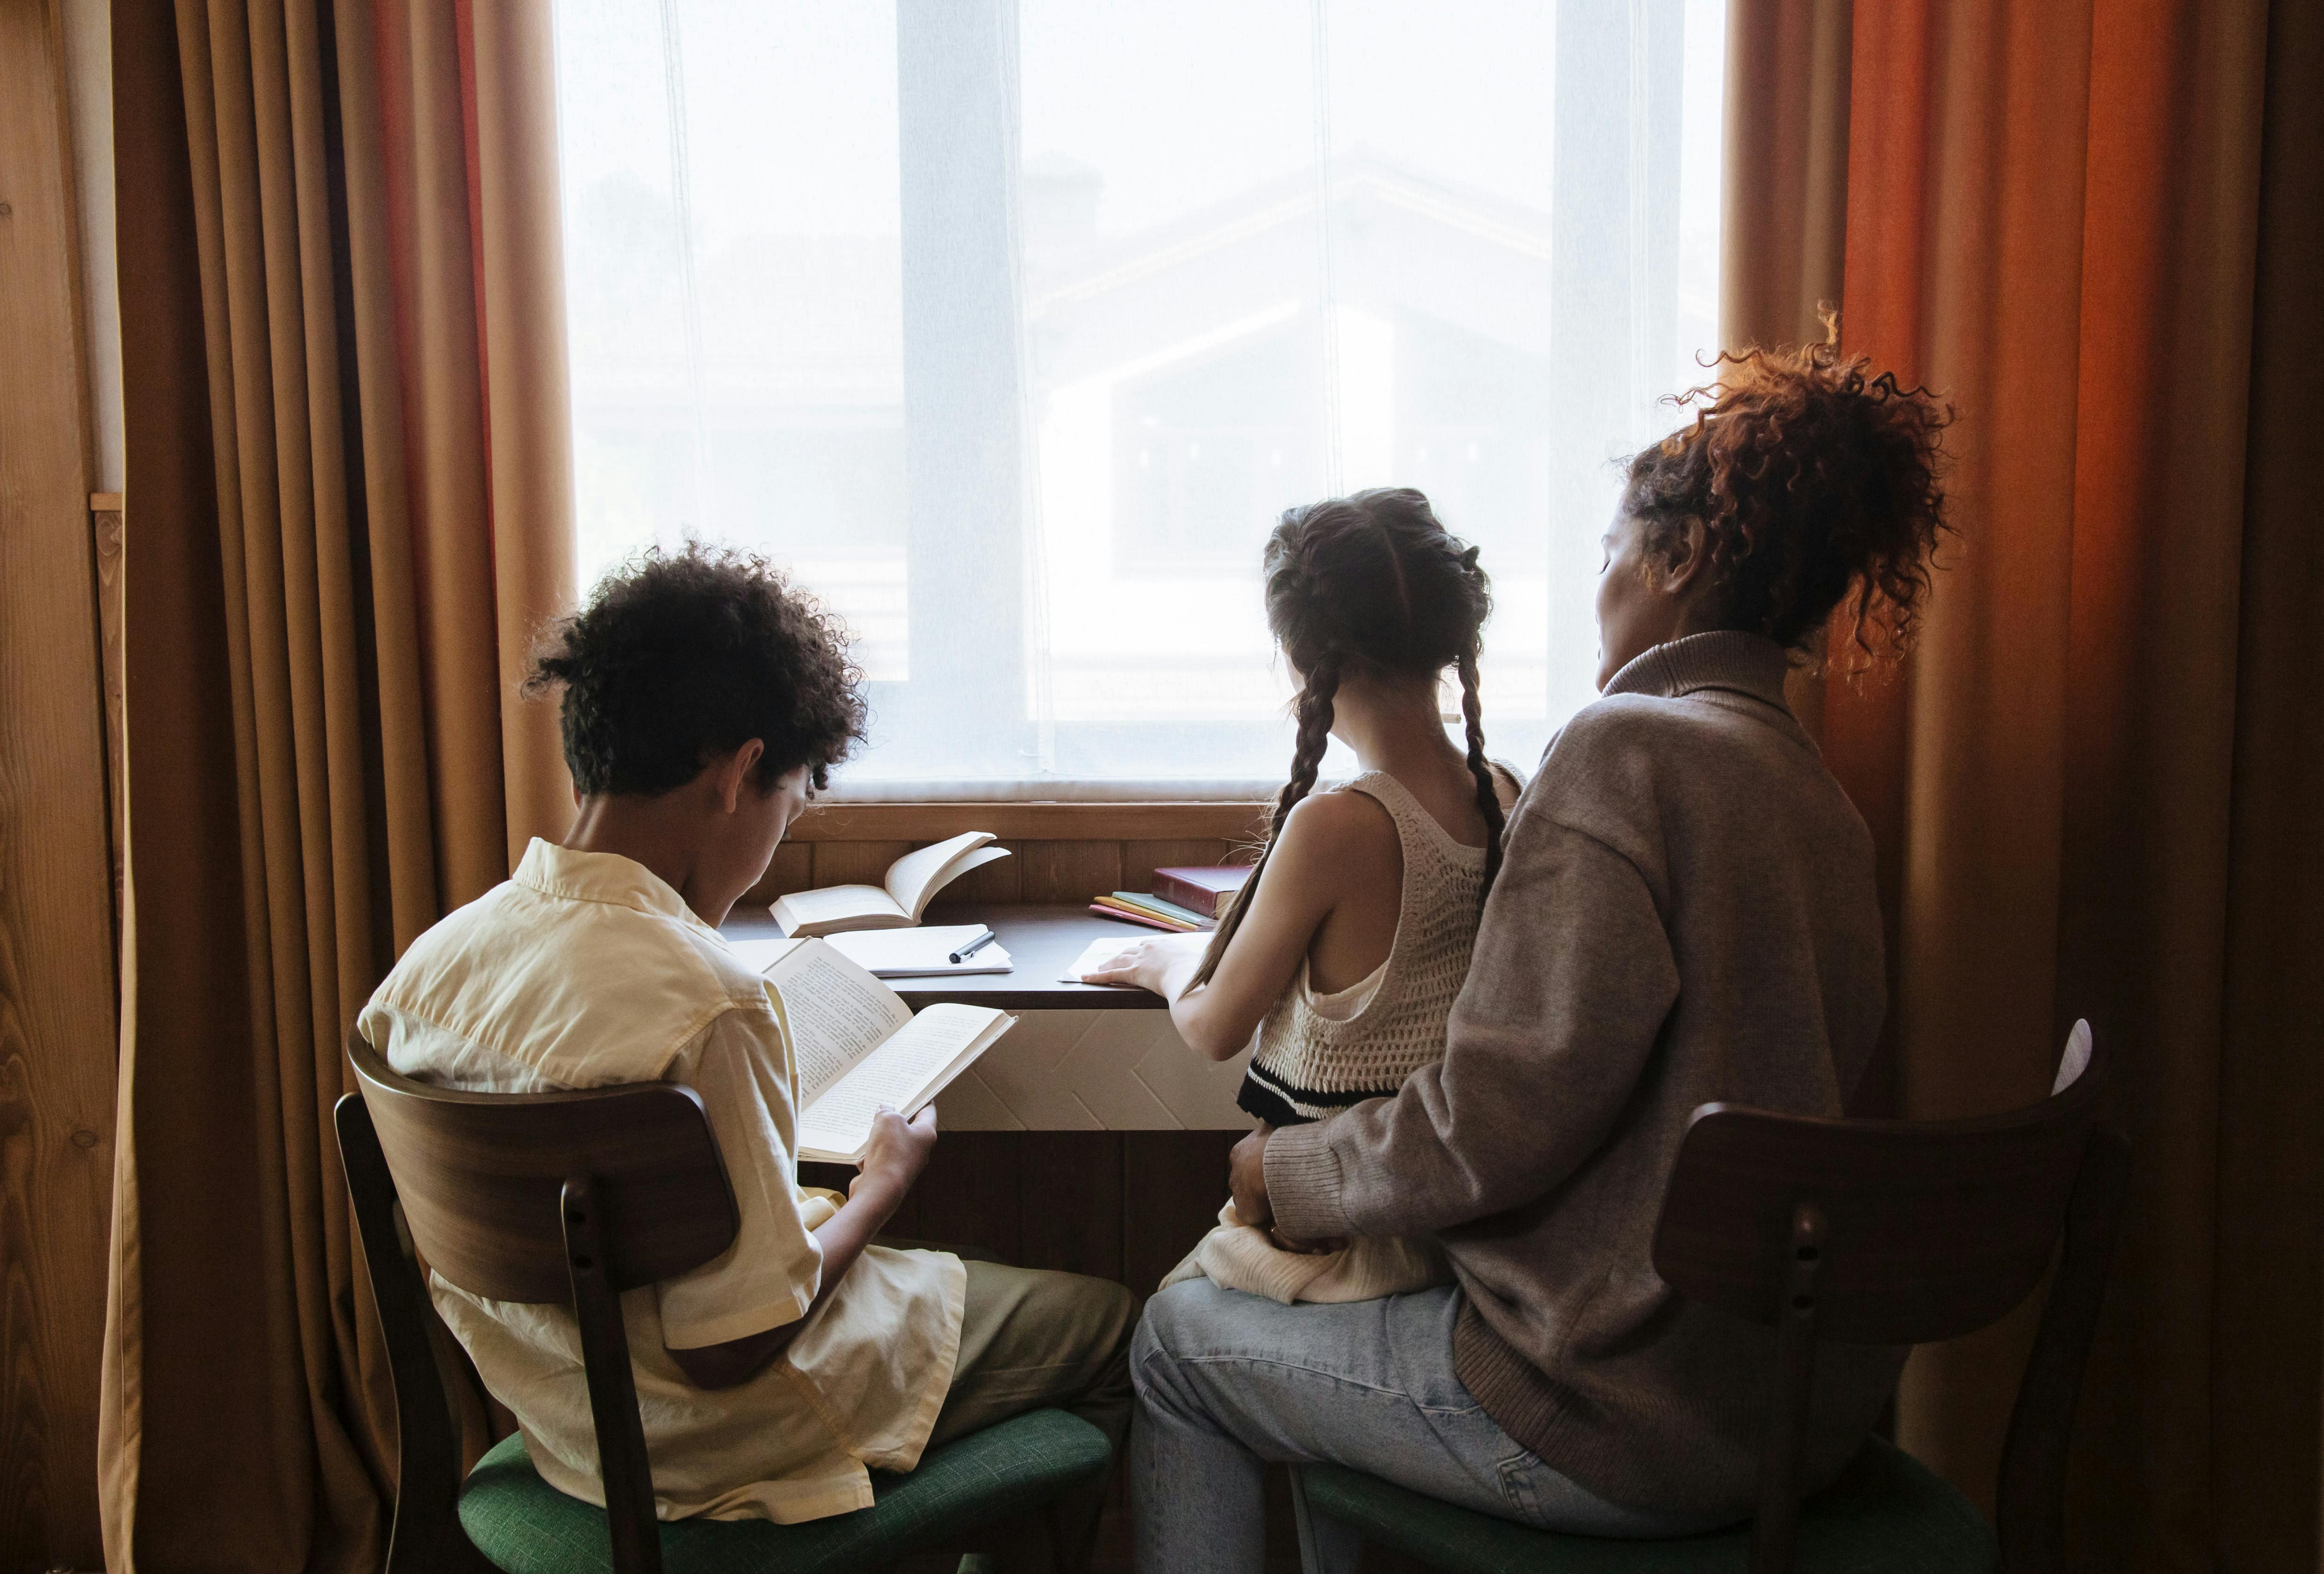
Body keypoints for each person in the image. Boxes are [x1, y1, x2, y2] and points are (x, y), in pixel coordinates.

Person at [1128, 338, 1955, 1572]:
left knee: (1178, 1345)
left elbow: (1496, 1120)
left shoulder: (1625, 751)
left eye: (1614, 554)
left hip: (1617, 1418)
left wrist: (1281, 1172)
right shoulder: (1815, 795)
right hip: (1791, 1415)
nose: (1601, 588)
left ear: (1676, 561)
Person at [357, 545, 1136, 1534]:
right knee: (1111, 1325)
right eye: (793, 800)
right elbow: (734, 1343)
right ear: (737, 775)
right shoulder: (708, 1003)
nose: (779, 834)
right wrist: (885, 1182)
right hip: (727, 1433)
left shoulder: (426, 973)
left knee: (964, 1267)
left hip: (566, 1426)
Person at [1083, 489, 1521, 1305]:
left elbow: (1216, 1029)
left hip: (1337, 1243)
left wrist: (1162, 967)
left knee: (1158, 1327)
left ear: (1298, 648)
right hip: (1442, 1234)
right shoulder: (1500, 790)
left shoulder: (1338, 826)